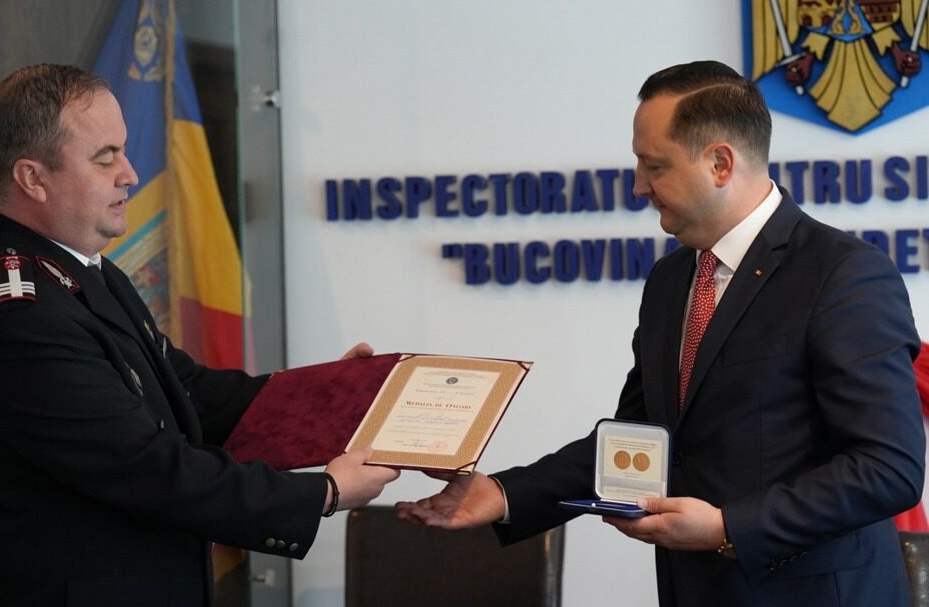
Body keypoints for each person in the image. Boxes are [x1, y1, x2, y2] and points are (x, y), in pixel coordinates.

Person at [397, 60, 926, 606]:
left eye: (654, 166)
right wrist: (505, 493)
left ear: (720, 163)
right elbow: (641, 436)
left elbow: (888, 468)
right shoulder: (672, 278)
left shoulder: (843, 274)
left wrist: (728, 527)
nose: (638, 185)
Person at [0, 63, 399, 606]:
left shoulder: (80, 267)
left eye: (124, 151)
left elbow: (188, 392)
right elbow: (147, 467)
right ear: (33, 178)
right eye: (105, 157)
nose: (130, 173)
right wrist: (324, 493)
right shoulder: (18, 317)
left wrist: (333, 396)